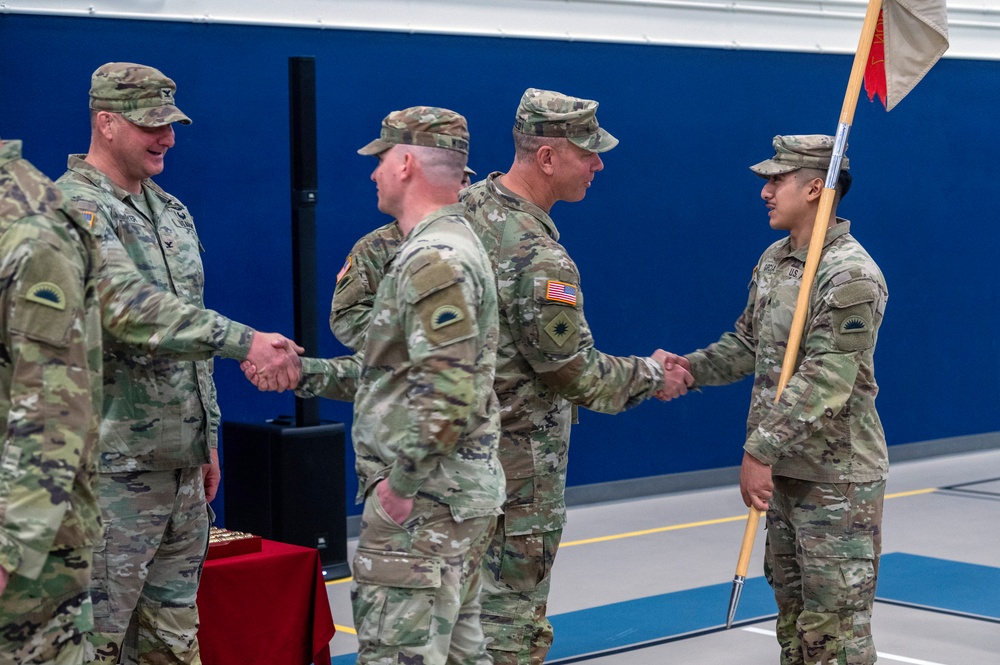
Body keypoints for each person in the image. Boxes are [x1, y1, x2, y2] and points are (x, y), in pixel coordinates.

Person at [0, 137, 296, 665]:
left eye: (172, 122)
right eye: (151, 123)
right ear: (108, 123)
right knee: (96, 643)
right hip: (114, 470)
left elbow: (189, 324)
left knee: (173, 640)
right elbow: (129, 313)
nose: (169, 137)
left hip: (179, 466)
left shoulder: (169, 208)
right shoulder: (73, 207)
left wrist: (207, 438)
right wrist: (246, 341)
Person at [458, 88, 693, 665]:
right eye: (587, 151)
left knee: (455, 624)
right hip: (516, 479)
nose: (598, 163)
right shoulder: (538, 257)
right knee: (508, 628)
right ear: (546, 157)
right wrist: (652, 373)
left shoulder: (457, 215)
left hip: (447, 465)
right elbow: (577, 375)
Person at [271, 106, 504, 664]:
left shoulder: (433, 259)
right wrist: (304, 373)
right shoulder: (451, 246)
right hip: (454, 503)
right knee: (461, 653)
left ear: (404, 163)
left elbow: (451, 389)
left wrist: (401, 484)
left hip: (425, 508)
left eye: (379, 160)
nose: (373, 173)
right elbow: (399, 376)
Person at [670, 135, 888, 664]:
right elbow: (749, 342)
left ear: (816, 187)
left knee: (833, 633)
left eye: (776, 180)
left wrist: (760, 450)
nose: (765, 192)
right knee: (794, 625)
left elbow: (826, 377)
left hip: (835, 483)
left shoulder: (850, 274)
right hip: (789, 474)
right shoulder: (776, 260)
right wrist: (687, 370)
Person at [330, 165, 475, 351]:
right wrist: (416, 336)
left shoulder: (486, 236)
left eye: (463, 181)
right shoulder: (376, 247)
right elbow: (346, 316)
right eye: (448, 182)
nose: (461, 190)